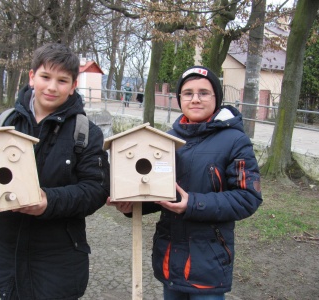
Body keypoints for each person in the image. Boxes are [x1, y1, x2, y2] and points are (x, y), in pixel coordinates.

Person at [0, 43, 110, 300]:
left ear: (73, 86)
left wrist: (48, 201)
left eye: (62, 80)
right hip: (7, 252)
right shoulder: (4, 122)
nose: (51, 87)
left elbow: (96, 189)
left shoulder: (85, 132)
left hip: (58, 258)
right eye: (45, 77)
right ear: (31, 77)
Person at [107, 66, 262, 300]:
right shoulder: (168, 139)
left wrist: (193, 204)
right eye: (188, 93)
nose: (195, 99)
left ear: (216, 98)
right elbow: (164, 190)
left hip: (208, 261)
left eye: (204, 92)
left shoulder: (235, 140)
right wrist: (133, 204)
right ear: (179, 98)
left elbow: (248, 197)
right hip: (171, 257)